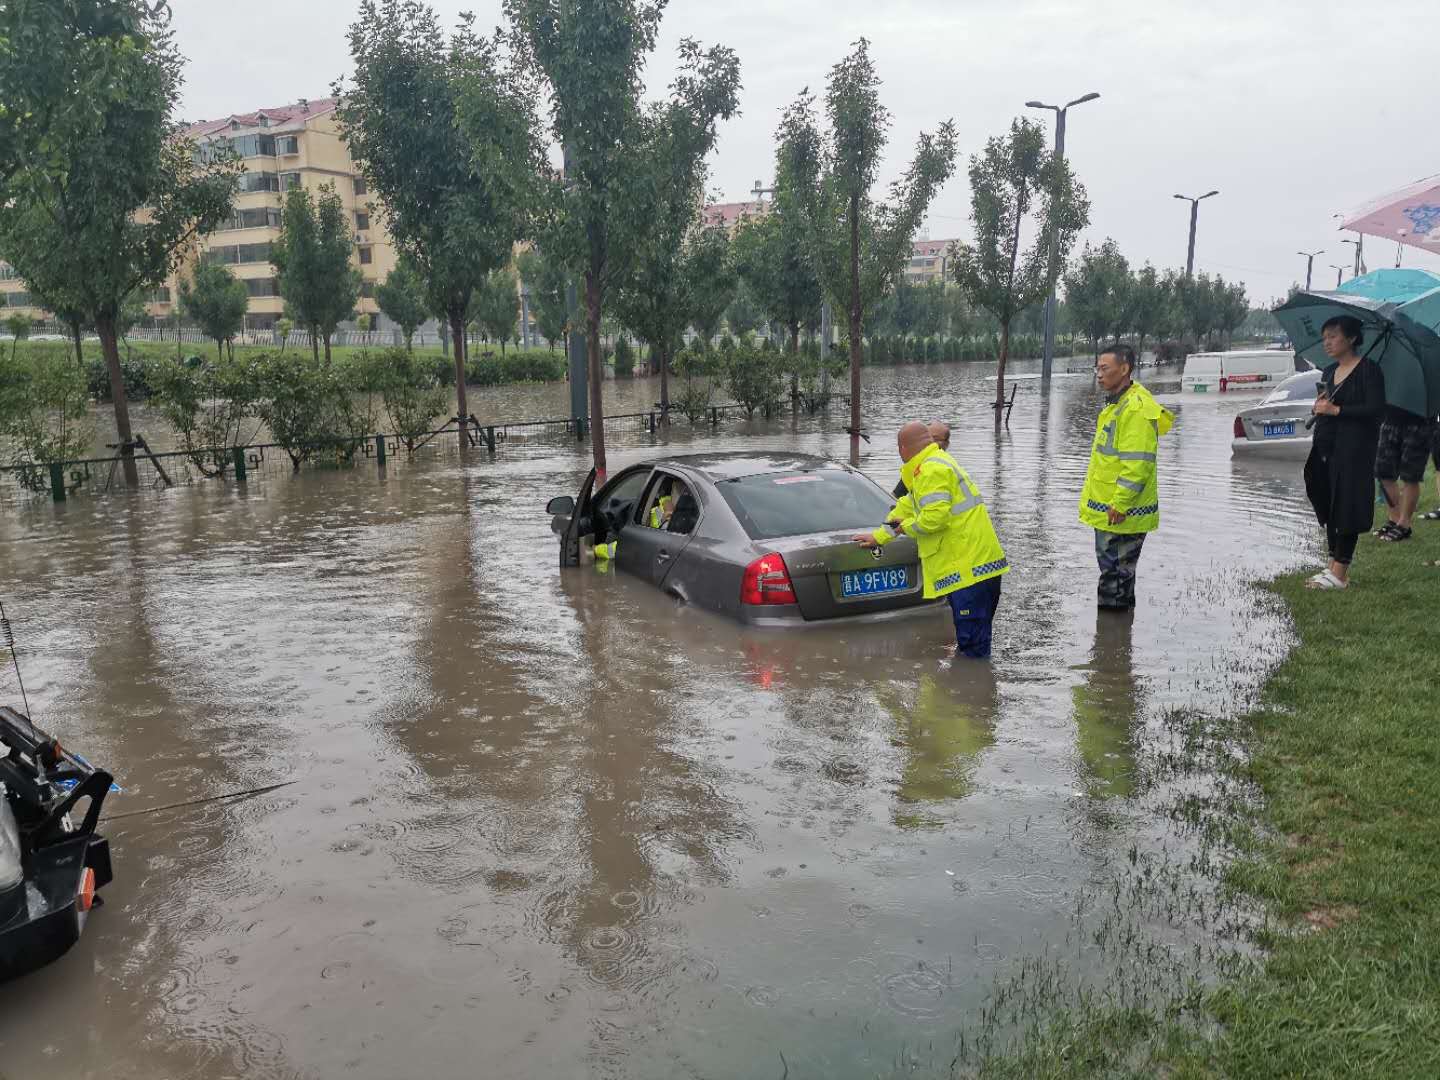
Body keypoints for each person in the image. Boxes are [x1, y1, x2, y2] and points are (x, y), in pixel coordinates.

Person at [854, 421, 1009, 659]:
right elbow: (906, 506)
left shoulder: (930, 470)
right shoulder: (933, 465)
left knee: (973, 648)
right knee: (974, 641)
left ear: (902, 449)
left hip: (968, 571)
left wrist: (903, 528)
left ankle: (975, 682)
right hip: (978, 567)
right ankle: (975, 680)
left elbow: (934, 519)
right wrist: (879, 536)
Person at [1078, 343, 1175, 610]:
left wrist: (1121, 503)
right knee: (1115, 576)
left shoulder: (1134, 408)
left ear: (1124, 369)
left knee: (1116, 580)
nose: (1099, 374)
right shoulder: (1118, 404)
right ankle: (1116, 631)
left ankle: (1113, 632)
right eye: (1097, 369)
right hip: (1111, 512)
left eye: (1105, 368)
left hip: (1121, 515)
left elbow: (1138, 464)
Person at [1303, 315, 1386, 589]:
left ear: (1351, 338)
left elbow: (1376, 410)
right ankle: (1332, 565)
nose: (1327, 343)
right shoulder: (1329, 372)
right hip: (1327, 448)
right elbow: (1327, 406)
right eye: (1324, 338)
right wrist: (1319, 407)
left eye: (1333, 336)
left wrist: (1337, 410)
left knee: (1348, 505)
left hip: (1355, 450)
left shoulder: (1369, 370)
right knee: (1329, 503)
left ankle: (1340, 572)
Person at [1372, 403, 1433, 542]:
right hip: (1391, 419)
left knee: (1410, 476)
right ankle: (1394, 519)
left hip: (1419, 423)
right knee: (1383, 472)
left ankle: (1404, 524)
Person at [893, 421, 951, 500]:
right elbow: (895, 498)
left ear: (946, 444)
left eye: (935, 439)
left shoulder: (939, 470)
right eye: (927, 438)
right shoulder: (914, 469)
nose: (930, 443)